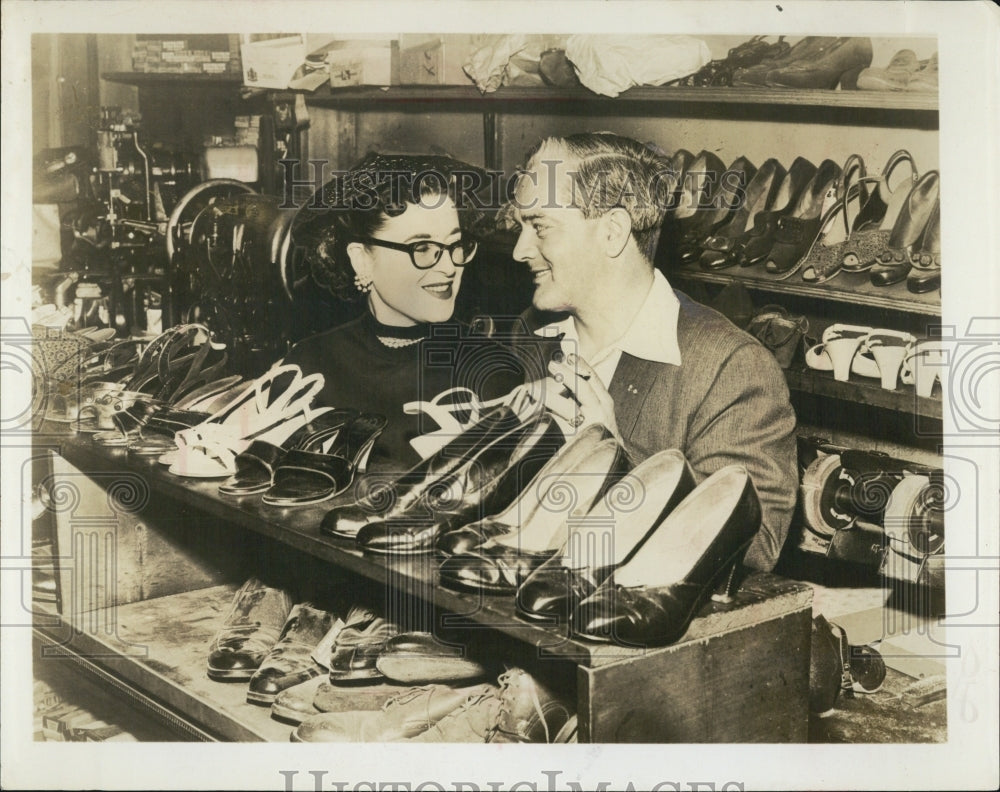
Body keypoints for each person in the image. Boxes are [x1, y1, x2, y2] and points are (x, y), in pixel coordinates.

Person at [506, 132, 797, 572]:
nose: (519, 250)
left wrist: (615, 463)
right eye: (520, 226)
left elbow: (750, 559)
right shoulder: (530, 332)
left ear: (612, 231)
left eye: (540, 227)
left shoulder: (731, 369)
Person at [281, 153, 529, 469]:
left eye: (455, 245)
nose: (449, 266)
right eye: (422, 249)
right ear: (362, 259)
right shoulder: (307, 367)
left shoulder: (493, 374)